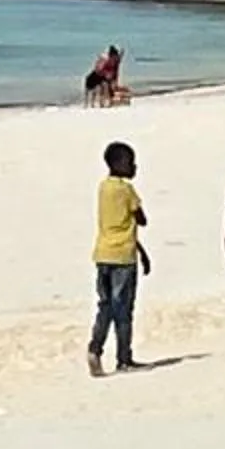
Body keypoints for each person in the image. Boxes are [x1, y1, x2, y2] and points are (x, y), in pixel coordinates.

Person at [90, 141, 150, 375]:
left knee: (105, 307)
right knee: (123, 309)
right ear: (118, 164)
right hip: (123, 258)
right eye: (130, 163)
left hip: (103, 253)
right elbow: (140, 219)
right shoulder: (126, 190)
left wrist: (143, 252)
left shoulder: (103, 188)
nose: (134, 167)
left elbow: (116, 224)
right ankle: (124, 358)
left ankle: (95, 349)